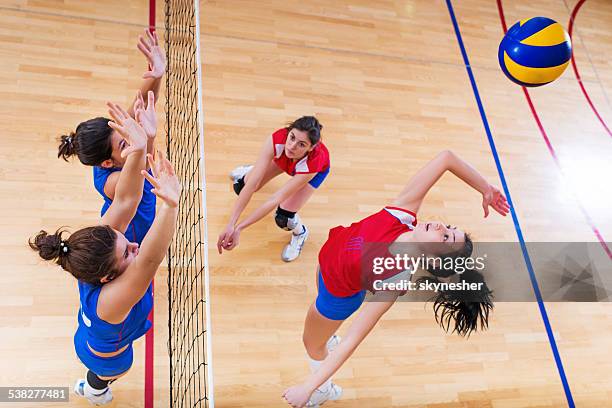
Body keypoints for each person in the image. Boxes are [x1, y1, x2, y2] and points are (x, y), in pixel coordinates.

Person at [282, 150, 509, 408]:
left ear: (435, 260)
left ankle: (324, 389)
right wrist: (485, 188)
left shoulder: (394, 278)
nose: (440, 227)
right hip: (328, 266)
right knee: (322, 331)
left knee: (312, 345)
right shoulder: (403, 213)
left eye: (446, 238)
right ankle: (327, 336)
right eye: (449, 227)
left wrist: (307, 388)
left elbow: (352, 341)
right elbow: (446, 158)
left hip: (335, 298)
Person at [29, 102, 181, 406]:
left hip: (89, 340)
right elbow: (149, 260)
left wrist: (140, 147)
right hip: (109, 359)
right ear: (108, 277)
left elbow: (126, 200)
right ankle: (94, 390)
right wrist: (170, 205)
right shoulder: (108, 299)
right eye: (127, 253)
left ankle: (92, 385)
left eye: (125, 242)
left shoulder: (100, 249)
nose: (133, 246)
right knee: (103, 377)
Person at [57, 29, 165, 244]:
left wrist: (158, 73)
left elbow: (141, 103)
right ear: (108, 163)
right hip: (133, 235)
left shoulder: (114, 143)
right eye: (125, 142)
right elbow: (142, 166)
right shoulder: (111, 182)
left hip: (144, 214)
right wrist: (148, 139)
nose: (131, 135)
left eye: (121, 131)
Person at [218, 116, 330, 261]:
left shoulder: (313, 162)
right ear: (288, 132)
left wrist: (239, 228)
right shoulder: (277, 140)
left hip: (309, 172)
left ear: (311, 148)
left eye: (301, 144)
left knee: (284, 217)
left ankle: (300, 233)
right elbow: (251, 187)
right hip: (286, 160)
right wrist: (230, 224)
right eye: (292, 137)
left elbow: (274, 199)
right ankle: (256, 169)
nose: (292, 146)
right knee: (243, 185)